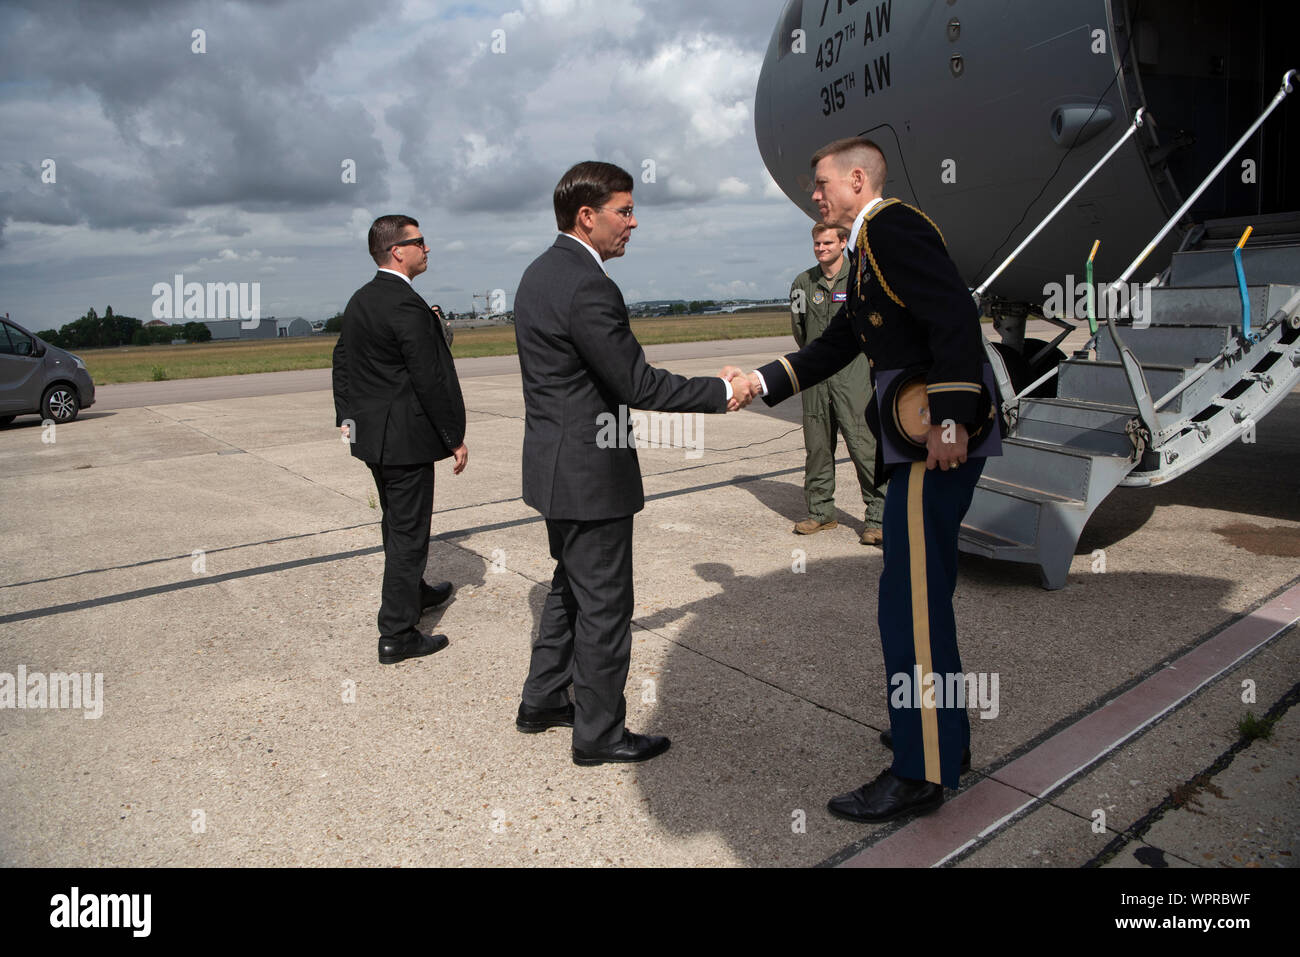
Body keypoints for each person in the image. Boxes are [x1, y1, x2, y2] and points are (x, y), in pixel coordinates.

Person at [725, 137, 991, 822]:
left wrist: (954, 418)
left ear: (854, 179)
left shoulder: (893, 228)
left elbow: (955, 315)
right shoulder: (868, 249)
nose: (814, 196)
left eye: (820, 185)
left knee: (908, 607)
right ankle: (941, 737)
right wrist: (760, 380)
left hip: (931, 446)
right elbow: (839, 341)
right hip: (916, 446)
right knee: (920, 600)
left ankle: (919, 770)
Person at [513, 161, 753, 766]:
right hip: (590, 476)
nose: (633, 221)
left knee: (569, 588)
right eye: (624, 211)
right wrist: (719, 393)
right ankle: (598, 736)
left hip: (554, 469)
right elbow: (636, 383)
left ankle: (543, 699)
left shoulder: (539, 273)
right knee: (604, 606)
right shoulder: (589, 284)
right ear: (586, 216)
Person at [332, 215, 469, 666]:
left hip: (375, 437)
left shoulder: (360, 300)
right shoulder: (405, 306)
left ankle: (415, 593)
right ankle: (396, 633)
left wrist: (347, 416)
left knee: (395, 522)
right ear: (398, 251)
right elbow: (431, 378)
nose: (427, 249)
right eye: (421, 242)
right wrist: (454, 436)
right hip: (406, 439)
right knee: (410, 533)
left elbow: (342, 361)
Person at [789, 222, 884, 545]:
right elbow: (800, 331)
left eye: (827, 243)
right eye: (817, 244)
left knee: (863, 445)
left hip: (853, 375)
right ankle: (820, 513)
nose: (821, 249)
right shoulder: (803, 283)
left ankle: (878, 518)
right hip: (816, 378)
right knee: (817, 447)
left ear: (843, 242)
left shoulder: (860, 279)